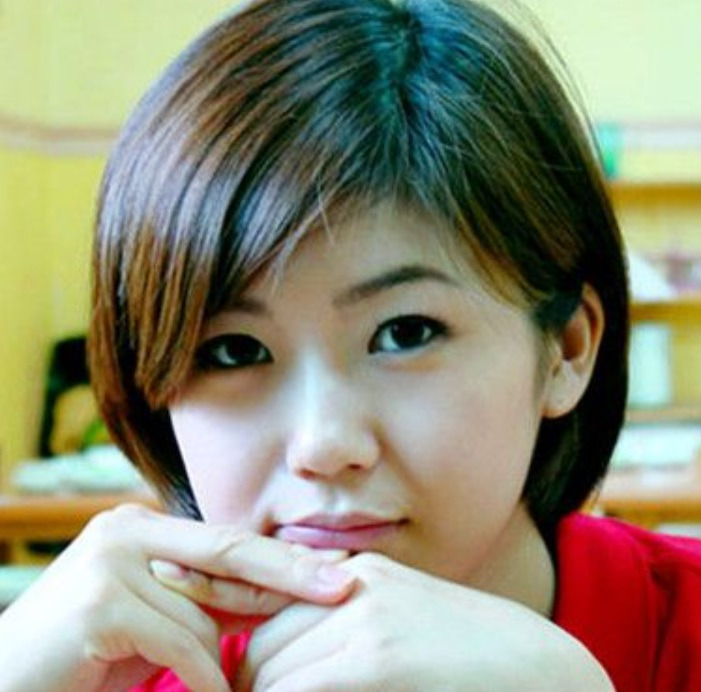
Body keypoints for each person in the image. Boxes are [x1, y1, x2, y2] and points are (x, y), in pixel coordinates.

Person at [2, 0, 700, 690]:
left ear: (566, 349)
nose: (323, 446)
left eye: (405, 333)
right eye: (233, 351)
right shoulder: (110, 676)